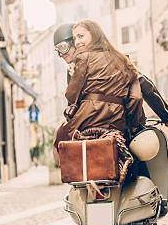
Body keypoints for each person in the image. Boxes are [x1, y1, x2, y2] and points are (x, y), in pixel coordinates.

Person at [52, 22, 168, 129]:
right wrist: (167, 117)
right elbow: (146, 87)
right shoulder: (113, 59)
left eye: (63, 48)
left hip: (88, 130)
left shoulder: (81, 68)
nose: (60, 54)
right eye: (57, 51)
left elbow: (71, 109)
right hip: (124, 127)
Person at [53, 20, 144, 152]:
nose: (77, 42)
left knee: (61, 142)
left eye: (80, 37)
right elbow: (136, 98)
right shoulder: (124, 60)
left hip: (87, 121)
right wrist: (132, 124)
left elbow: (71, 96)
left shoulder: (83, 58)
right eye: (75, 38)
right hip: (118, 123)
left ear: (94, 35)